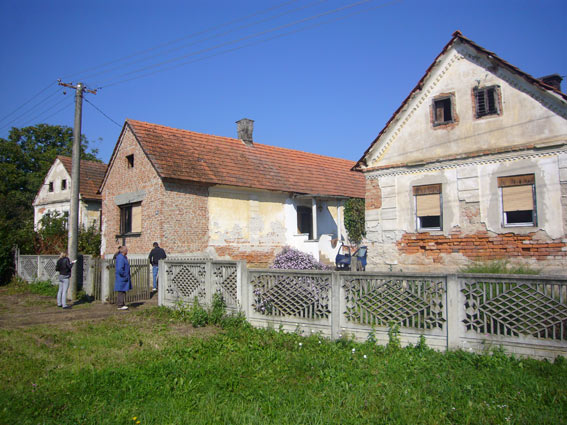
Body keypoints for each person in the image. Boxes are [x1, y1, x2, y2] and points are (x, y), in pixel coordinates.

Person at [114, 246, 132, 310]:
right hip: (121, 278)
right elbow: (119, 269)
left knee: (123, 291)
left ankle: (122, 304)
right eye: (126, 250)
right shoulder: (120, 258)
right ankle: (120, 305)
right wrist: (124, 275)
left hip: (123, 277)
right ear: (124, 251)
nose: (127, 251)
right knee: (121, 291)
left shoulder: (123, 257)